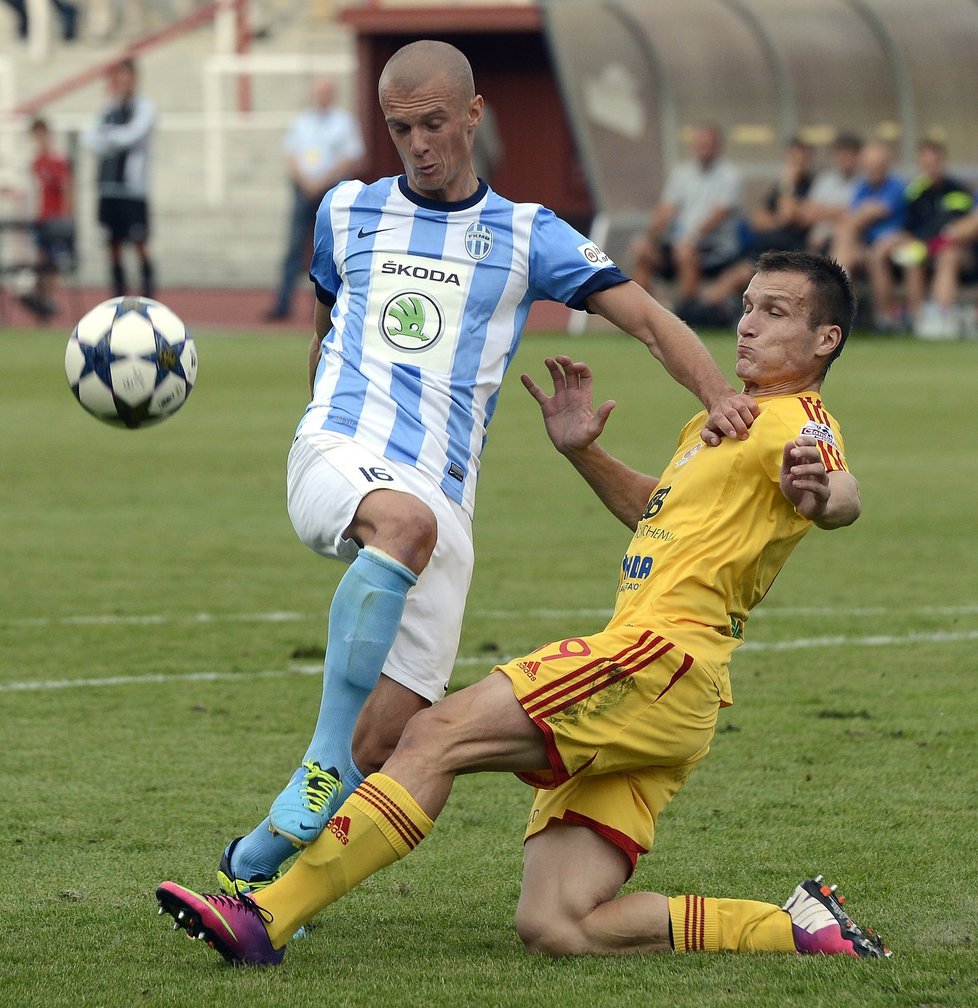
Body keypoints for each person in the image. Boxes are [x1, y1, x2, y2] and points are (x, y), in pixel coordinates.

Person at [157, 250, 892, 966]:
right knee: (558, 923)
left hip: (657, 659)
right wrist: (583, 452)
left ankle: (266, 915)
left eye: (775, 312)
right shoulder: (723, 422)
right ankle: (794, 928)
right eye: (746, 308)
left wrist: (824, 494)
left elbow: (838, 494)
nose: (748, 325)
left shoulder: (799, 423)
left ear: (826, 339)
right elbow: (659, 514)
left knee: (432, 734)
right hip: (674, 696)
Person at [210, 40, 758, 903]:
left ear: (473, 116)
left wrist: (720, 393)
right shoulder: (345, 210)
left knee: (385, 741)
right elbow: (324, 321)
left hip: (444, 500)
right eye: (400, 128)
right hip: (340, 450)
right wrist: (324, 419)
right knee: (402, 529)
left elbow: (648, 319)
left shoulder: (527, 233)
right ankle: (318, 761)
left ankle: (253, 867)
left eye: (433, 124)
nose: (419, 144)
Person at [265, 76, 365, 321]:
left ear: (333, 94)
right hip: (302, 190)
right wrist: (305, 181)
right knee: (294, 248)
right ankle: (283, 303)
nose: (321, 96)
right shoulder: (302, 121)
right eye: (318, 92)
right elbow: (290, 154)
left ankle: (322, 304)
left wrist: (321, 182)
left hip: (330, 191)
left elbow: (352, 156)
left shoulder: (344, 122)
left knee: (327, 250)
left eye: (326, 92)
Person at [687, 137, 816, 326]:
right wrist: (779, 217)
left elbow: (788, 215)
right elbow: (757, 220)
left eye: (798, 159)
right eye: (790, 159)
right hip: (762, 250)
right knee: (730, 277)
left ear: (807, 159)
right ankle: (698, 313)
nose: (793, 164)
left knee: (739, 277)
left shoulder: (809, 185)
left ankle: (696, 316)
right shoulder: (779, 188)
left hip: (791, 254)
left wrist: (788, 184)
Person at [629, 123, 744, 315]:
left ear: (718, 147)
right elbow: (665, 211)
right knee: (642, 252)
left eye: (707, 145)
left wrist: (689, 238)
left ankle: (686, 315)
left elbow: (717, 216)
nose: (702, 150)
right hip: (679, 243)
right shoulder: (682, 174)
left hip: (715, 247)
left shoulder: (730, 176)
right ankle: (643, 315)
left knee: (685, 251)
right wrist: (649, 238)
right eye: (699, 145)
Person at [875, 140, 974, 338]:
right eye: (926, 163)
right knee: (910, 256)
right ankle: (917, 320)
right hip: (923, 248)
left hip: (955, 250)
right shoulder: (914, 192)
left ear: (942, 161)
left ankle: (941, 317)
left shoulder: (958, 190)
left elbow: (958, 229)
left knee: (949, 255)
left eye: (935, 162)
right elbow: (909, 228)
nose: (931, 167)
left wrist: (932, 243)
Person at [83, 57, 157, 298]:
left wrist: (108, 137)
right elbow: (90, 139)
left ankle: (148, 299)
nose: (123, 83)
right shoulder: (108, 109)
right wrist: (111, 137)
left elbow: (132, 136)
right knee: (112, 246)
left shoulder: (144, 107)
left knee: (139, 244)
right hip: (108, 187)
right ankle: (118, 299)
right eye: (120, 79)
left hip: (133, 190)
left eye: (128, 78)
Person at [828, 139, 906, 331]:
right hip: (867, 244)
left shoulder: (897, 186)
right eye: (870, 166)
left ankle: (883, 318)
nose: (874, 170)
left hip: (896, 244)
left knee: (874, 253)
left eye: (878, 166)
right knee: (846, 241)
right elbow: (854, 216)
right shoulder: (863, 187)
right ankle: (843, 316)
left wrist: (853, 217)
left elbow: (873, 212)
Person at [20, 117, 74, 320]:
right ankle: (41, 304)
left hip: (55, 220)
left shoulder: (57, 161)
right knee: (41, 262)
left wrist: (66, 218)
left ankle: (50, 303)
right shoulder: (35, 162)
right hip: (40, 220)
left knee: (52, 264)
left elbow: (67, 188)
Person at [915, 203, 978, 339]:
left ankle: (934, 244)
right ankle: (939, 315)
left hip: (968, 255)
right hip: (965, 252)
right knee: (948, 255)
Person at [801, 132, 863, 254]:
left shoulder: (864, 181)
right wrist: (838, 212)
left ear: (858, 155)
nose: (845, 157)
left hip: (850, 238)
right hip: (818, 239)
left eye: (850, 153)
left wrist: (825, 211)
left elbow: (856, 216)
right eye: (842, 153)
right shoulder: (824, 179)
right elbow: (809, 214)